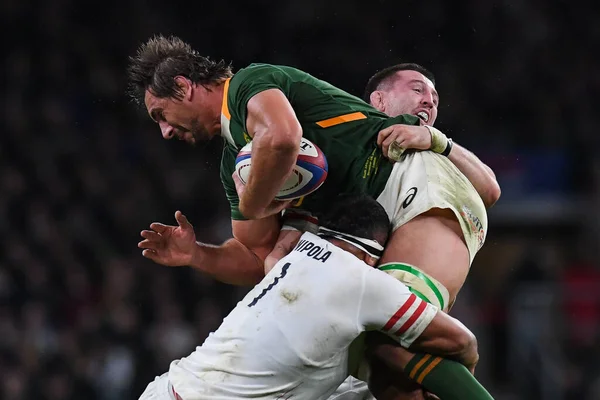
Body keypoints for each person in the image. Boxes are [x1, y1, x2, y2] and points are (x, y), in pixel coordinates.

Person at [127, 35, 498, 399]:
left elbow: (284, 137)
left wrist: (255, 202)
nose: (164, 131)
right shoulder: (234, 163)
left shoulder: (247, 83)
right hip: (380, 215)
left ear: (183, 86)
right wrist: (197, 254)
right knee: (384, 368)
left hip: (413, 180)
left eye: (161, 115)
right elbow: (258, 256)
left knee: (396, 341)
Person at [138, 194, 493, 400]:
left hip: (165, 388)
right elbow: (462, 340)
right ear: (374, 253)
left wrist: (197, 253)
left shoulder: (289, 256)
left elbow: (257, 256)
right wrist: (467, 365)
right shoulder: (362, 280)